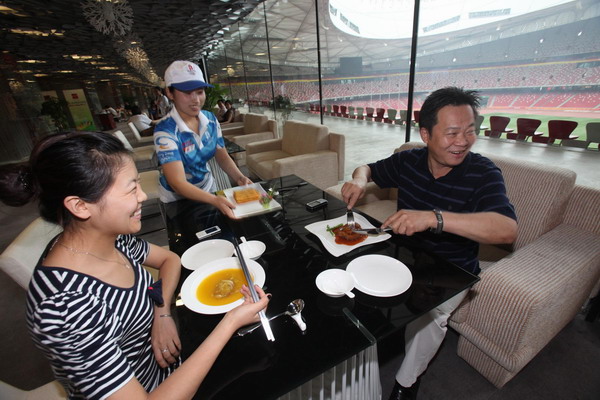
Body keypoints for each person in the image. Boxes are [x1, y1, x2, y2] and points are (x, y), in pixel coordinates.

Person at [0, 131, 269, 400]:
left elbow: (169, 259)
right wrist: (230, 322)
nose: (142, 196)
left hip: (167, 365)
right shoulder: (65, 308)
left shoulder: (107, 239)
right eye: (131, 189)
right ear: (80, 206)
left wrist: (161, 312)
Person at [341, 87, 518, 400]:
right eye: (452, 133)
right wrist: (359, 180)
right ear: (425, 134)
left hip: (451, 269)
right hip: (405, 255)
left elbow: (506, 230)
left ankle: (406, 383)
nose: (462, 141)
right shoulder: (409, 160)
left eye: (469, 131)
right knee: (350, 280)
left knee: (431, 319)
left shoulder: (484, 173)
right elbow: (367, 169)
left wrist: (434, 218)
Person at [153, 60, 253, 218]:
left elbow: (222, 155)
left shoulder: (211, 119)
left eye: (200, 92)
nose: (196, 100)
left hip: (208, 189)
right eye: (187, 93)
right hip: (178, 200)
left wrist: (239, 177)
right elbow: (177, 183)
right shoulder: (165, 132)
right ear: (169, 93)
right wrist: (214, 200)